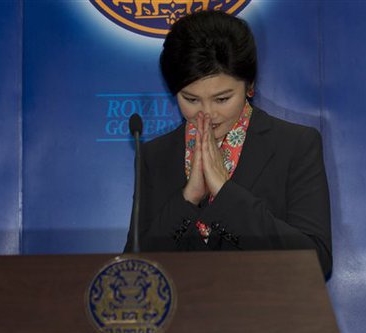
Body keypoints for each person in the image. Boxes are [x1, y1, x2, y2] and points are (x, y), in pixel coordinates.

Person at [124, 10, 332, 278]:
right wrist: (188, 199)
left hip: (267, 316)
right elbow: (134, 268)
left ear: (249, 85)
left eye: (222, 99)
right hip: (184, 317)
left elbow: (317, 262)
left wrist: (224, 193)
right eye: (191, 99)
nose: (206, 114)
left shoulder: (295, 145)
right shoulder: (155, 155)